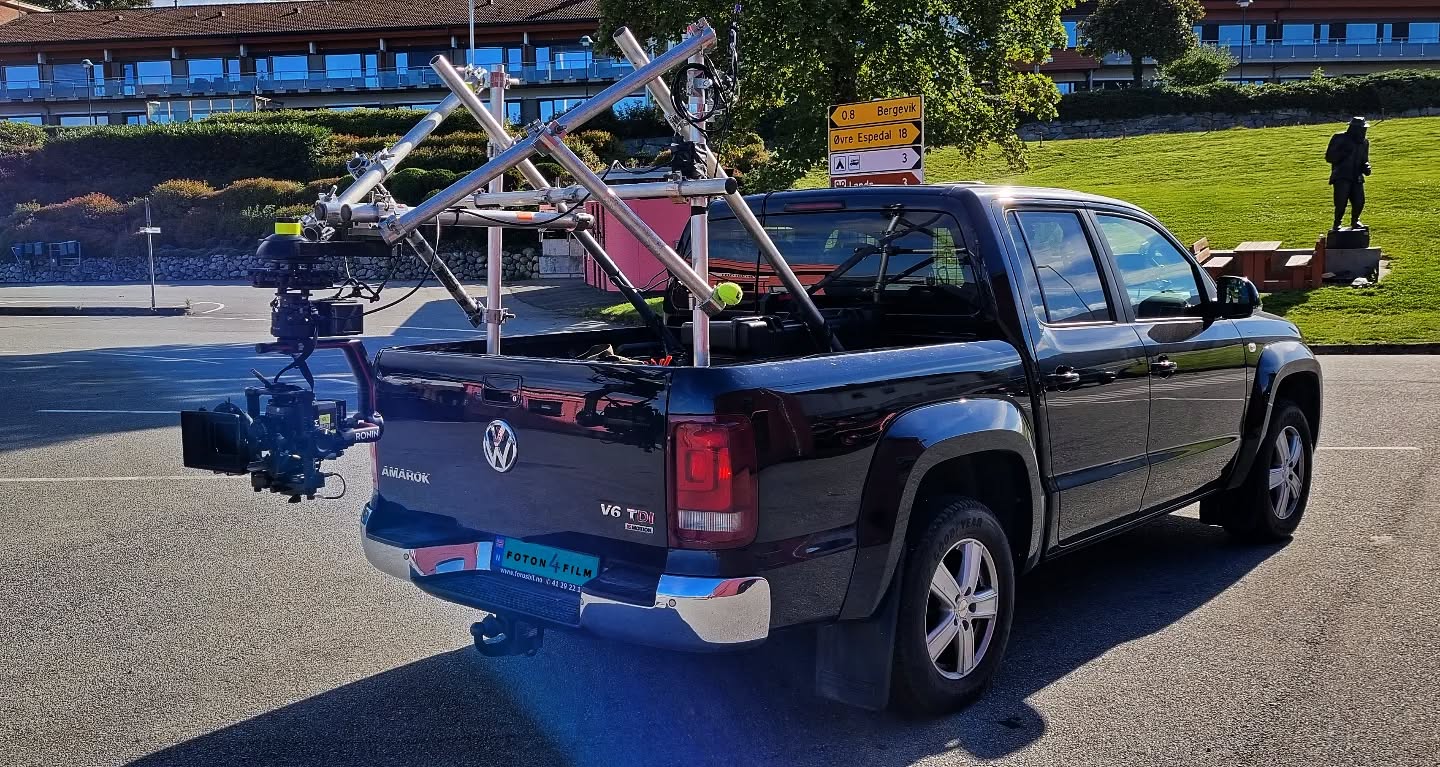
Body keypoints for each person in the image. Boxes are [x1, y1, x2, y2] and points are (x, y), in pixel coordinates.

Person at [1326, 116, 1372, 230]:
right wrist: (1345, 151)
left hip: (1357, 176)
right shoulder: (1339, 138)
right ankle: (1337, 223)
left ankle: (1355, 221)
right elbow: (1329, 157)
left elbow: (1364, 159)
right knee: (1341, 202)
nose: (1364, 132)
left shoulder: (1364, 142)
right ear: (1353, 129)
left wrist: (1366, 166)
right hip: (1342, 175)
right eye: (1362, 129)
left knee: (1359, 201)